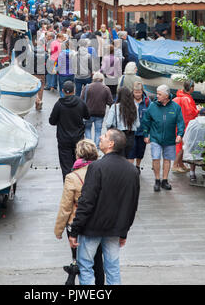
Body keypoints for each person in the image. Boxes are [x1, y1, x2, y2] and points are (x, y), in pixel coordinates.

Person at [68, 128, 140, 285]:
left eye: (105, 136)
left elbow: (86, 201)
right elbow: (132, 205)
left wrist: (75, 230)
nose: (100, 137)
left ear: (111, 144)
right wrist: (124, 232)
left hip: (93, 228)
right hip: (115, 229)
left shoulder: (97, 167)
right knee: (112, 267)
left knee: (86, 266)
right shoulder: (132, 171)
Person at [54, 139, 104, 285]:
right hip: (99, 222)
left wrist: (59, 230)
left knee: (81, 262)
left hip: (77, 223)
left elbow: (65, 207)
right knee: (98, 262)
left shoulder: (72, 177)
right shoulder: (102, 171)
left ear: (78, 155)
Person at [142, 84, 185, 192]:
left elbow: (180, 122)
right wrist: (146, 134)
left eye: (159, 94)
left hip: (170, 139)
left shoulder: (175, 107)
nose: (157, 96)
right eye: (157, 93)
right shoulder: (152, 106)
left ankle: (165, 180)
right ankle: (157, 180)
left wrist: (179, 135)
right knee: (156, 158)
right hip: (156, 137)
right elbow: (146, 120)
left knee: (167, 159)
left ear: (166, 95)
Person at [49, 80, 90, 180]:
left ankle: (68, 186)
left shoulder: (59, 104)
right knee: (79, 164)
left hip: (64, 140)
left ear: (63, 90)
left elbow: (52, 121)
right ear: (74, 90)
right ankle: (79, 185)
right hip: (78, 139)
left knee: (66, 167)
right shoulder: (80, 103)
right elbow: (87, 116)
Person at [182, 108, 205, 182]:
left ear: (199, 115)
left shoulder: (192, 122)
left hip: (191, 155)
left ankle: (192, 173)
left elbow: (185, 137)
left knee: (193, 149)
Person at [81, 72, 113, 149]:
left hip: (88, 113)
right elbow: (110, 102)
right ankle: (96, 147)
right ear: (102, 79)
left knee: (87, 129)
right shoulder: (106, 88)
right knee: (98, 131)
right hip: (100, 113)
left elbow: (81, 100)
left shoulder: (87, 87)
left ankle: (90, 146)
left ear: (93, 78)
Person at [172, 81, 199, 173]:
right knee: (182, 145)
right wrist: (198, 110)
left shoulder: (179, 96)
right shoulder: (186, 98)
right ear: (191, 88)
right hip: (184, 125)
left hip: (177, 124)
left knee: (181, 145)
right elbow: (190, 112)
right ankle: (175, 165)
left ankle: (181, 164)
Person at [106, 87, 140, 158]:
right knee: (126, 157)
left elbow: (108, 123)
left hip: (118, 135)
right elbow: (137, 124)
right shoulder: (134, 106)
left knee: (117, 157)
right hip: (130, 135)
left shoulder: (115, 107)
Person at [128, 82, 151, 173]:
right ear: (133, 91)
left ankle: (137, 166)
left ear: (142, 92)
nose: (137, 94)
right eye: (135, 92)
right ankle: (130, 169)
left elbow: (150, 116)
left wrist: (149, 133)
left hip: (142, 131)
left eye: (139, 92)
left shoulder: (147, 102)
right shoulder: (129, 101)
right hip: (131, 131)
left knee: (140, 151)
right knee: (131, 151)